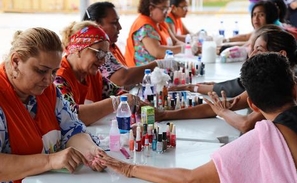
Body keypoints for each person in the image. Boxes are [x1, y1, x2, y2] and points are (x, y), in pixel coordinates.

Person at [99, 53, 297, 182]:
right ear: (295, 91)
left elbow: (190, 179)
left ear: (251, 104)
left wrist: (128, 168)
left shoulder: (264, 140)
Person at [0, 27, 106, 183]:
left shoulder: (48, 92)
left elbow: (71, 128)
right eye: (42, 71)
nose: (49, 80)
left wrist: (91, 151)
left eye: (54, 72)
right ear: (16, 61)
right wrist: (50, 161)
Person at [159, 28, 297, 133]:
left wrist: (222, 112)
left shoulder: (284, 81)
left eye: (259, 50)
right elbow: (226, 104)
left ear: (281, 55)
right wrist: (166, 114)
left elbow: (245, 124)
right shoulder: (277, 75)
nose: (252, 54)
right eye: (253, 49)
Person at [82, 1, 179, 96]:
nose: (120, 27)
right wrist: (159, 64)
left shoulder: (112, 47)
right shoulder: (94, 51)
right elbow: (122, 78)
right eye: (114, 23)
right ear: (97, 25)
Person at [55, 21, 139, 126]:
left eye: (105, 55)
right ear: (78, 49)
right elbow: (71, 115)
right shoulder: (58, 77)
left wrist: (160, 113)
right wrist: (116, 102)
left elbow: (121, 94)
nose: (103, 61)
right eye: (99, 53)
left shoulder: (92, 75)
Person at [124, 0, 186, 67]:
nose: (167, 13)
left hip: (160, 69)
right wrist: (182, 48)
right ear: (151, 9)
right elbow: (156, 51)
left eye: (168, 9)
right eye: (164, 8)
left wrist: (188, 47)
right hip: (143, 73)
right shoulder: (145, 26)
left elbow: (175, 42)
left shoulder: (160, 22)